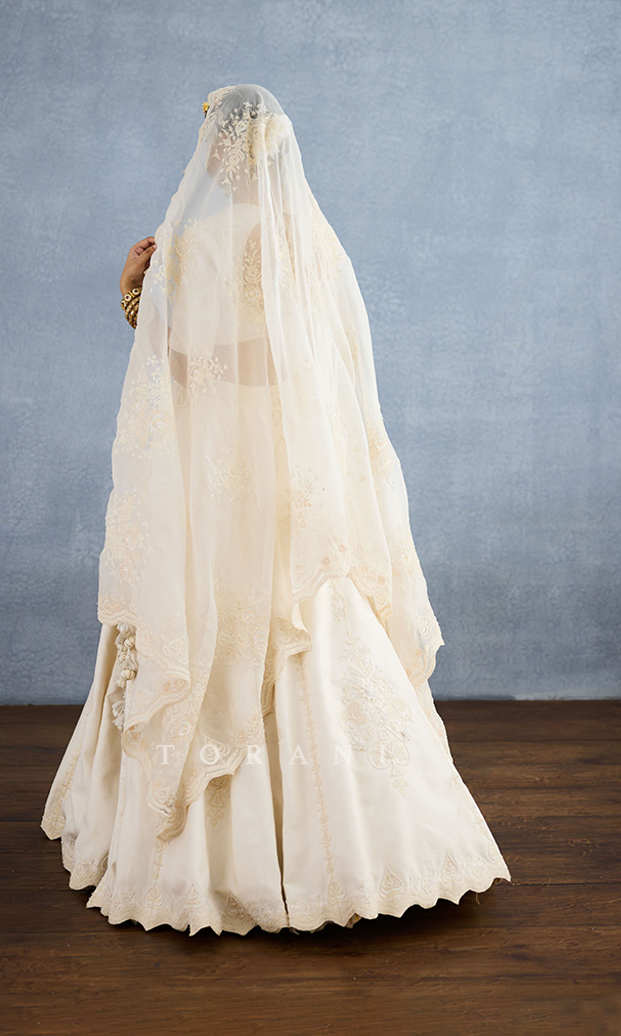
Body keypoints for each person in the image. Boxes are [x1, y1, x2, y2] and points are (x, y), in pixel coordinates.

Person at [41, 84, 511, 936]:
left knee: (210, 616)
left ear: (219, 153)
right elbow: (316, 370)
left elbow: (174, 365)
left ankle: (204, 856)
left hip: (219, 475)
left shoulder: (193, 241)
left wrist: (131, 290)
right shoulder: (313, 242)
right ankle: (370, 847)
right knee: (311, 615)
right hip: (293, 474)